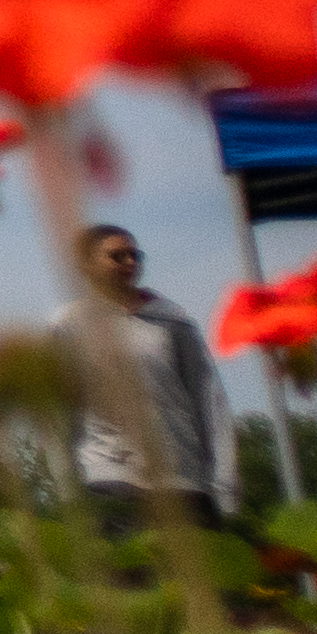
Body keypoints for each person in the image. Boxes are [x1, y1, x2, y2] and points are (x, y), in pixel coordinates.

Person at [70, 223, 226, 528]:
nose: (130, 263)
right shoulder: (69, 326)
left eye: (135, 256)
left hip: (180, 477)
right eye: (117, 256)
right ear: (87, 266)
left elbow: (208, 400)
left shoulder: (172, 321)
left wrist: (223, 481)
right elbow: (62, 411)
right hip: (110, 478)